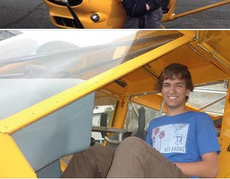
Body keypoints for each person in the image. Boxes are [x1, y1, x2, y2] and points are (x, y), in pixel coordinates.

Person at [62, 64, 220, 178]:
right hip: (151, 172)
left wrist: (166, 165)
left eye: (178, 85)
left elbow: (212, 169)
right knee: (90, 151)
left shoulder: (200, 119)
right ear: (162, 90)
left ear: (187, 91)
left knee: (132, 144)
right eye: (167, 85)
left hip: (177, 175)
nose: (172, 90)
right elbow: (143, 156)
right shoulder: (155, 124)